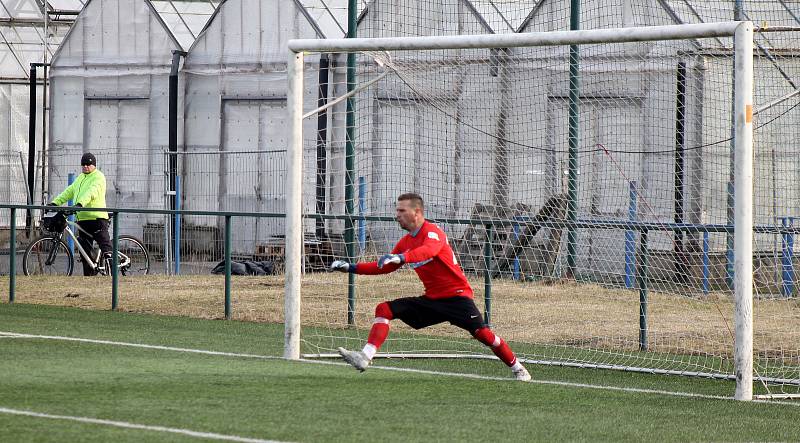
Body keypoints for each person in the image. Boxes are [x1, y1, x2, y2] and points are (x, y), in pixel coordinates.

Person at [331, 193, 531, 381]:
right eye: (397, 211)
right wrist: (351, 267)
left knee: (483, 334)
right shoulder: (406, 241)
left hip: (457, 297)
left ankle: (518, 368)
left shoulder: (432, 232)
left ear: (416, 213)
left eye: (402, 211)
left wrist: (402, 257)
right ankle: (364, 357)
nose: (397, 215)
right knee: (384, 309)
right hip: (433, 299)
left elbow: (429, 251)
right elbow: (384, 267)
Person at [49, 152, 112, 276]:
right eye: (83, 164)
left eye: (88, 164)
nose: (85, 166)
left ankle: (114, 274)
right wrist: (55, 203)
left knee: (105, 246)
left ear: (94, 165)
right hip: (83, 219)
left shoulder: (99, 177)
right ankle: (89, 277)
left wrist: (80, 204)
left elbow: (91, 192)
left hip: (96, 218)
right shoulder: (80, 178)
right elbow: (69, 191)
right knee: (85, 251)